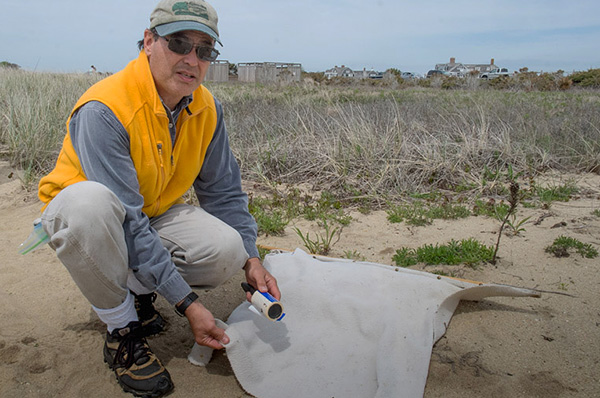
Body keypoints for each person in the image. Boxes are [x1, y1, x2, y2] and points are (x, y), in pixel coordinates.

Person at [37, 0, 280, 396]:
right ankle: (122, 331)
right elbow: (126, 219)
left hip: (149, 213)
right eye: (179, 43)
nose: (191, 59)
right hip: (87, 221)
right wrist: (188, 305)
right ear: (148, 41)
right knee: (88, 206)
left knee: (227, 249)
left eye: (204, 51)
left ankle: (136, 289)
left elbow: (223, 192)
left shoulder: (207, 108)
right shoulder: (105, 108)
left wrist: (252, 260)